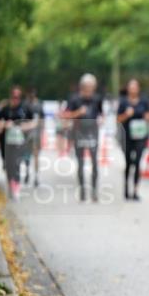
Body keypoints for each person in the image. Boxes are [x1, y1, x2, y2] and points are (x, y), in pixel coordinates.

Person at [62, 74, 104, 202]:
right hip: (79, 132)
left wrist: (101, 119)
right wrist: (78, 113)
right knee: (80, 163)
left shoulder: (97, 99)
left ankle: (94, 190)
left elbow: (101, 113)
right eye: (87, 86)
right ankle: (82, 190)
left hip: (93, 133)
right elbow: (66, 115)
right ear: (82, 86)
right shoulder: (74, 99)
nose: (90, 89)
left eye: (92, 87)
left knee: (94, 162)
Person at [0, 86, 37, 199]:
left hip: (20, 141)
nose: (15, 99)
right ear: (10, 96)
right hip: (6, 142)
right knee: (8, 165)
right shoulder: (5, 109)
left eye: (18, 97)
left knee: (17, 164)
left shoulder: (25, 108)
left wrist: (25, 126)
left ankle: (16, 187)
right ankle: (10, 184)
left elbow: (34, 122)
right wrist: (3, 125)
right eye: (14, 97)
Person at [116, 78, 149, 200]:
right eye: (131, 87)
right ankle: (126, 189)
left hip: (140, 136)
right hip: (127, 137)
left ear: (138, 89)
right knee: (128, 163)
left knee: (137, 162)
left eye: (135, 87)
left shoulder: (144, 101)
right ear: (128, 89)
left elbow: (148, 116)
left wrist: (148, 117)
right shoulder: (123, 102)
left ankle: (135, 191)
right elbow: (118, 119)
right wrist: (126, 114)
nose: (133, 89)